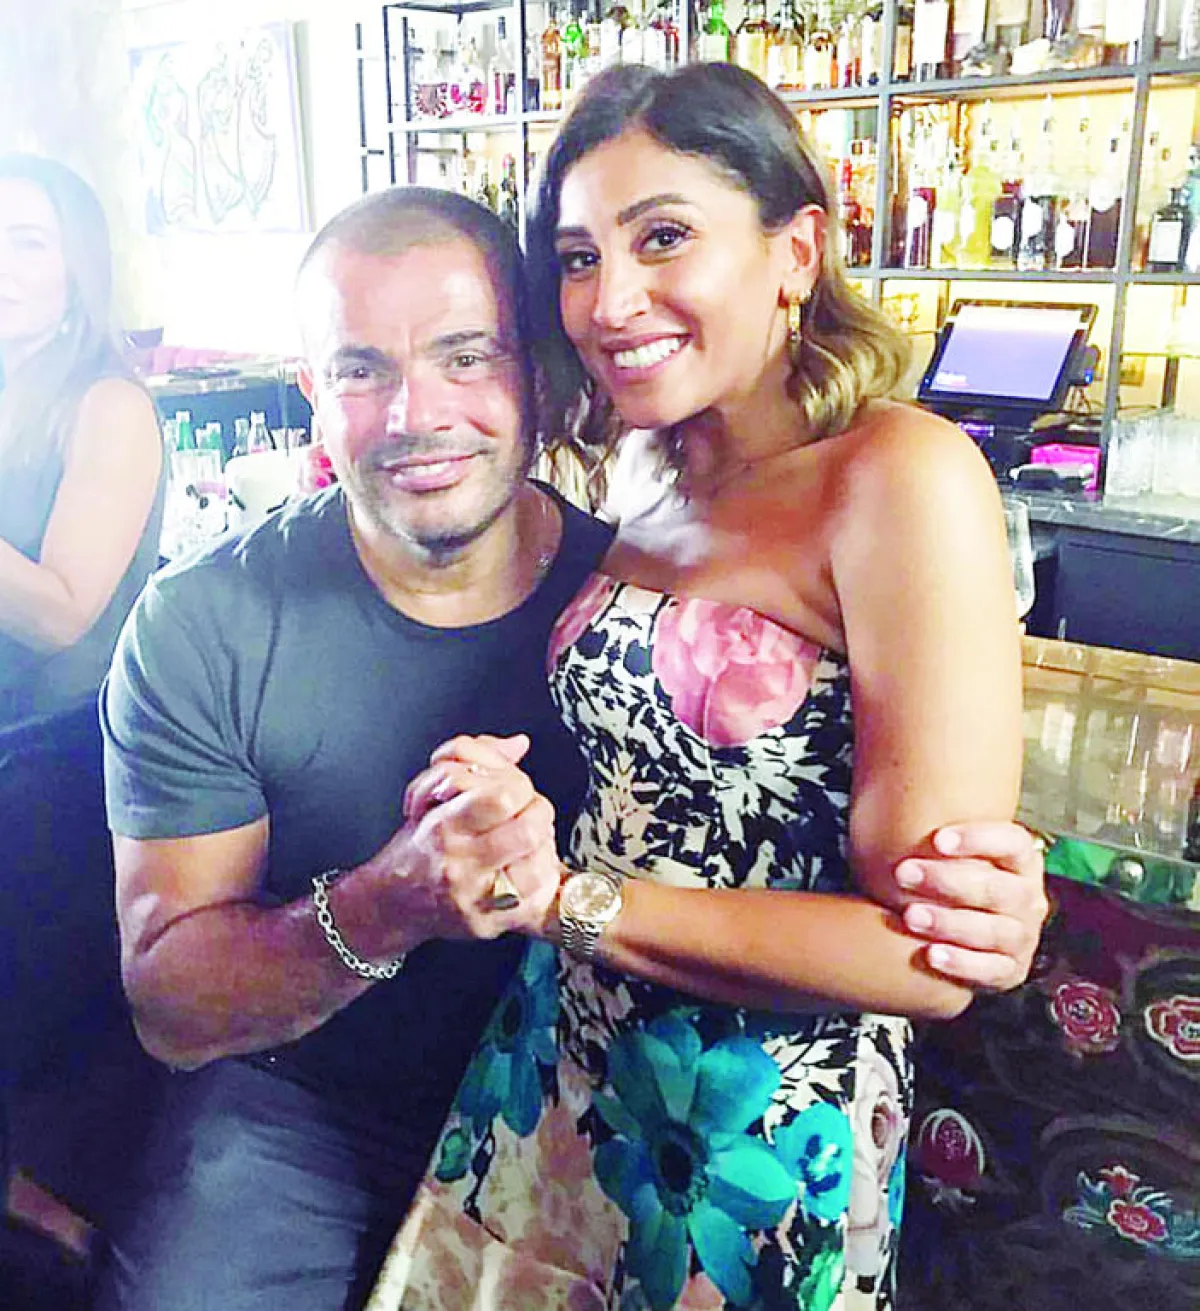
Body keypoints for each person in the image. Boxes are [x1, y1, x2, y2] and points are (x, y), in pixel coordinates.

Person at [97, 185, 1044, 1311]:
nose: (416, 413)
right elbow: (170, 1006)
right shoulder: (205, 620)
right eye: (360, 369)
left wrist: (977, 891)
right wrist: (388, 903)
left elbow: (829, 790)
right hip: (301, 1109)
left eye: (467, 356)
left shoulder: (635, 601)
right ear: (311, 394)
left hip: (592, 1097)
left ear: (540, 379)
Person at [368, 64, 1033, 1311]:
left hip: (754, 1139)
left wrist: (568, 899)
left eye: (663, 236)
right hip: (562, 1068)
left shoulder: (899, 474)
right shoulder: (648, 468)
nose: (609, 299)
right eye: (578, 257)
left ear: (797, 252)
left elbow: (925, 956)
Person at [0, 156, 163, 1236]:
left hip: (53, 764)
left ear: (77, 269)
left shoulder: (106, 403)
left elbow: (63, 610)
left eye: (27, 243)